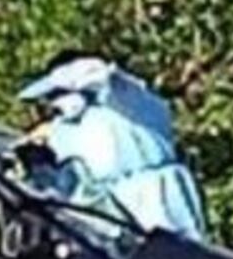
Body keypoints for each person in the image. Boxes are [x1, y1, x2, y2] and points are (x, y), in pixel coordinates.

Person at [17, 55, 206, 241]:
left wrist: (70, 76)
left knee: (180, 254)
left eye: (58, 93)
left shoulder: (124, 99)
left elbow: (103, 75)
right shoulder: (63, 130)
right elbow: (71, 188)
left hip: (160, 196)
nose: (56, 101)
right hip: (117, 210)